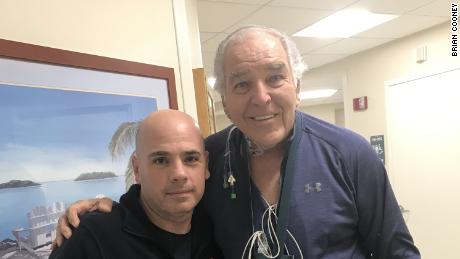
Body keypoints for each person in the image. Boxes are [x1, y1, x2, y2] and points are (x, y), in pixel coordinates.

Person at [54, 25, 420, 258]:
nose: (261, 98)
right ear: (225, 100)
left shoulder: (349, 154)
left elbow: (398, 251)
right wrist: (102, 211)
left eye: (276, 77)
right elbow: (163, 212)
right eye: (242, 83)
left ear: (298, 87)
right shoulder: (208, 157)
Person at [50, 110, 221, 259]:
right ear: (137, 170)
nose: (179, 174)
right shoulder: (90, 238)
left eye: (191, 159)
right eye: (161, 160)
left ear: (205, 166)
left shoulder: (214, 226)